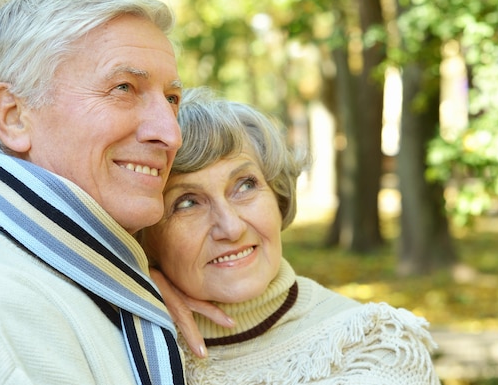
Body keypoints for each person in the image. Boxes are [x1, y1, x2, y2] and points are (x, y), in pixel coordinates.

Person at [0, 0, 192, 384]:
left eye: (172, 99)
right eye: (123, 88)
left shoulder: (105, 287)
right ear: (14, 116)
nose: (171, 133)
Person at [141, 86, 441, 384]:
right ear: (145, 235)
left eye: (245, 185)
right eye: (187, 203)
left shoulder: (376, 346)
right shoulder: (124, 344)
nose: (231, 228)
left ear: (278, 195)